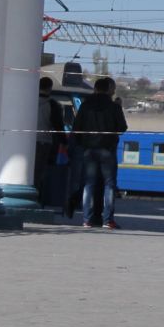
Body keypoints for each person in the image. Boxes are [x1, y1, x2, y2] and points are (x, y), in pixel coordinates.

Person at [71, 75, 127, 229]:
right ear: (109, 89)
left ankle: (87, 219)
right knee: (109, 184)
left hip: (89, 150)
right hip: (107, 150)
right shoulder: (114, 107)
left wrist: (83, 143)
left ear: (95, 89)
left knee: (89, 184)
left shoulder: (85, 105)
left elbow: (77, 128)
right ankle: (107, 220)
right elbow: (122, 128)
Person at [33, 75, 69, 212]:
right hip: (44, 142)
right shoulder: (52, 104)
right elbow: (58, 125)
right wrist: (64, 142)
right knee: (39, 172)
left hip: (28, 141)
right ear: (50, 88)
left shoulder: (28, 101)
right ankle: (36, 198)